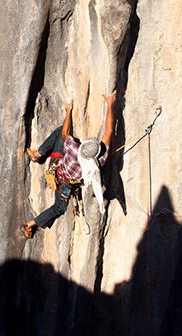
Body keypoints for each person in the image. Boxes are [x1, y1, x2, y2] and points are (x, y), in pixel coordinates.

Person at [21, 91, 117, 239]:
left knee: (61, 131)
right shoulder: (99, 162)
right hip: (65, 183)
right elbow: (109, 132)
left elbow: (65, 133)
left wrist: (68, 110)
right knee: (58, 208)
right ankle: (29, 224)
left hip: (57, 168)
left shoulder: (73, 150)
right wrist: (111, 105)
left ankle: (38, 154)